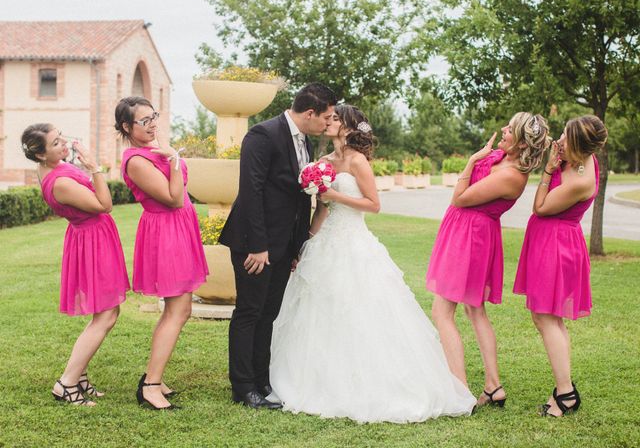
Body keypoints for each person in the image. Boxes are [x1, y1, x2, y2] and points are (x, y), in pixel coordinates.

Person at [268, 105, 476, 423]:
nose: (329, 122)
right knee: (320, 309)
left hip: (354, 242)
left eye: (335, 119)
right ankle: (319, 378)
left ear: (350, 128)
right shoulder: (323, 163)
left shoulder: (357, 161)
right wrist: (305, 243)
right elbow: (321, 211)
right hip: (325, 244)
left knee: (358, 309)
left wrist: (335, 197)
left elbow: (373, 204)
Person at [219, 83, 338, 409]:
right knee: (250, 311)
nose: (328, 124)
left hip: (284, 243)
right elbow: (251, 191)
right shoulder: (263, 135)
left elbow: (299, 200)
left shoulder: (306, 142)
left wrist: (297, 246)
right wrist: (258, 246)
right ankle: (243, 387)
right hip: (254, 243)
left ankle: (261, 380)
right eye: (326, 117)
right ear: (310, 113)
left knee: (269, 313)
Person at [425, 112, 550, 407]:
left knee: (442, 311)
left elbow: (460, 197)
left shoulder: (511, 176)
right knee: (474, 309)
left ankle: (459, 392)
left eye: (511, 129)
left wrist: (470, 162)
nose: (503, 129)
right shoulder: (499, 157)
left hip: (471, 237)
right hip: (465, 231)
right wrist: (482, 158)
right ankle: (493, 386)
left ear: (521, 143)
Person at [21, 123, 129, 406]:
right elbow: (104, 204)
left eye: (61, 137)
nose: (64, 144)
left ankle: (78, 375)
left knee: (108, 312)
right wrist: (94, 168)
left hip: (91, 238)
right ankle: (66, 383)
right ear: (41, 155)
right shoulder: (60, 183)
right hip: (92, 242)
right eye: (56, 143)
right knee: (105, 315)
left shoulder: (51, 168)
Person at [116, 96, 208, 410]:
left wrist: (171, 159)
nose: (153, 123)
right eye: (144, 120)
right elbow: (172, 197)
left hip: (179, 228)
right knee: (179, 309)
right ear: (127, 127)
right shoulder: (136, 160)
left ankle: (153, 378)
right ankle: (150, 386)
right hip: (166, 232)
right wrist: (172, 160)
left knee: (177, 309)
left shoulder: (155, 148)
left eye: (153, 116)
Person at [513, 115, 607, 417]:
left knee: (545, 319)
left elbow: (540, 207)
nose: (561, 142)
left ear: (581, 147)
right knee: (551, 319)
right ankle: (564, 388)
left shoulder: (580, 180)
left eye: (567, 138)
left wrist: (548, 171)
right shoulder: (581, 160)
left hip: (556, 245)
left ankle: (566, 393)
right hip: (553, 242)